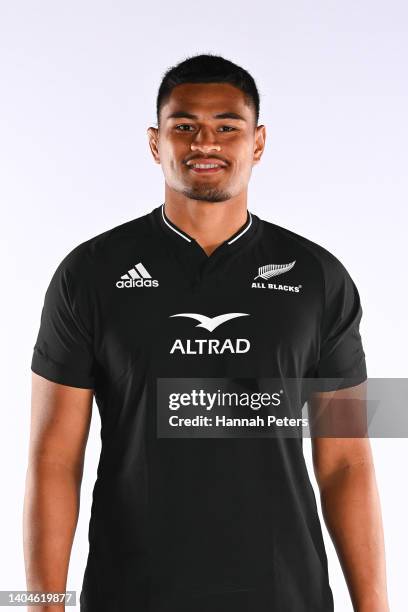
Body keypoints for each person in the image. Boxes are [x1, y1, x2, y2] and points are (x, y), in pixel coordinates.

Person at [24, 54, 390, 612]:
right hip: (134, 593)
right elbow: (53, 459)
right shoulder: (90, 273)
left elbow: (348, 461)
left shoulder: (320, 277)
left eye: (226, 127)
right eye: (184, 127)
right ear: (155, 142)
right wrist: (41, 605)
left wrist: (376, 606)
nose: (205, 143)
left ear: (258, 143)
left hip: (284, 593)